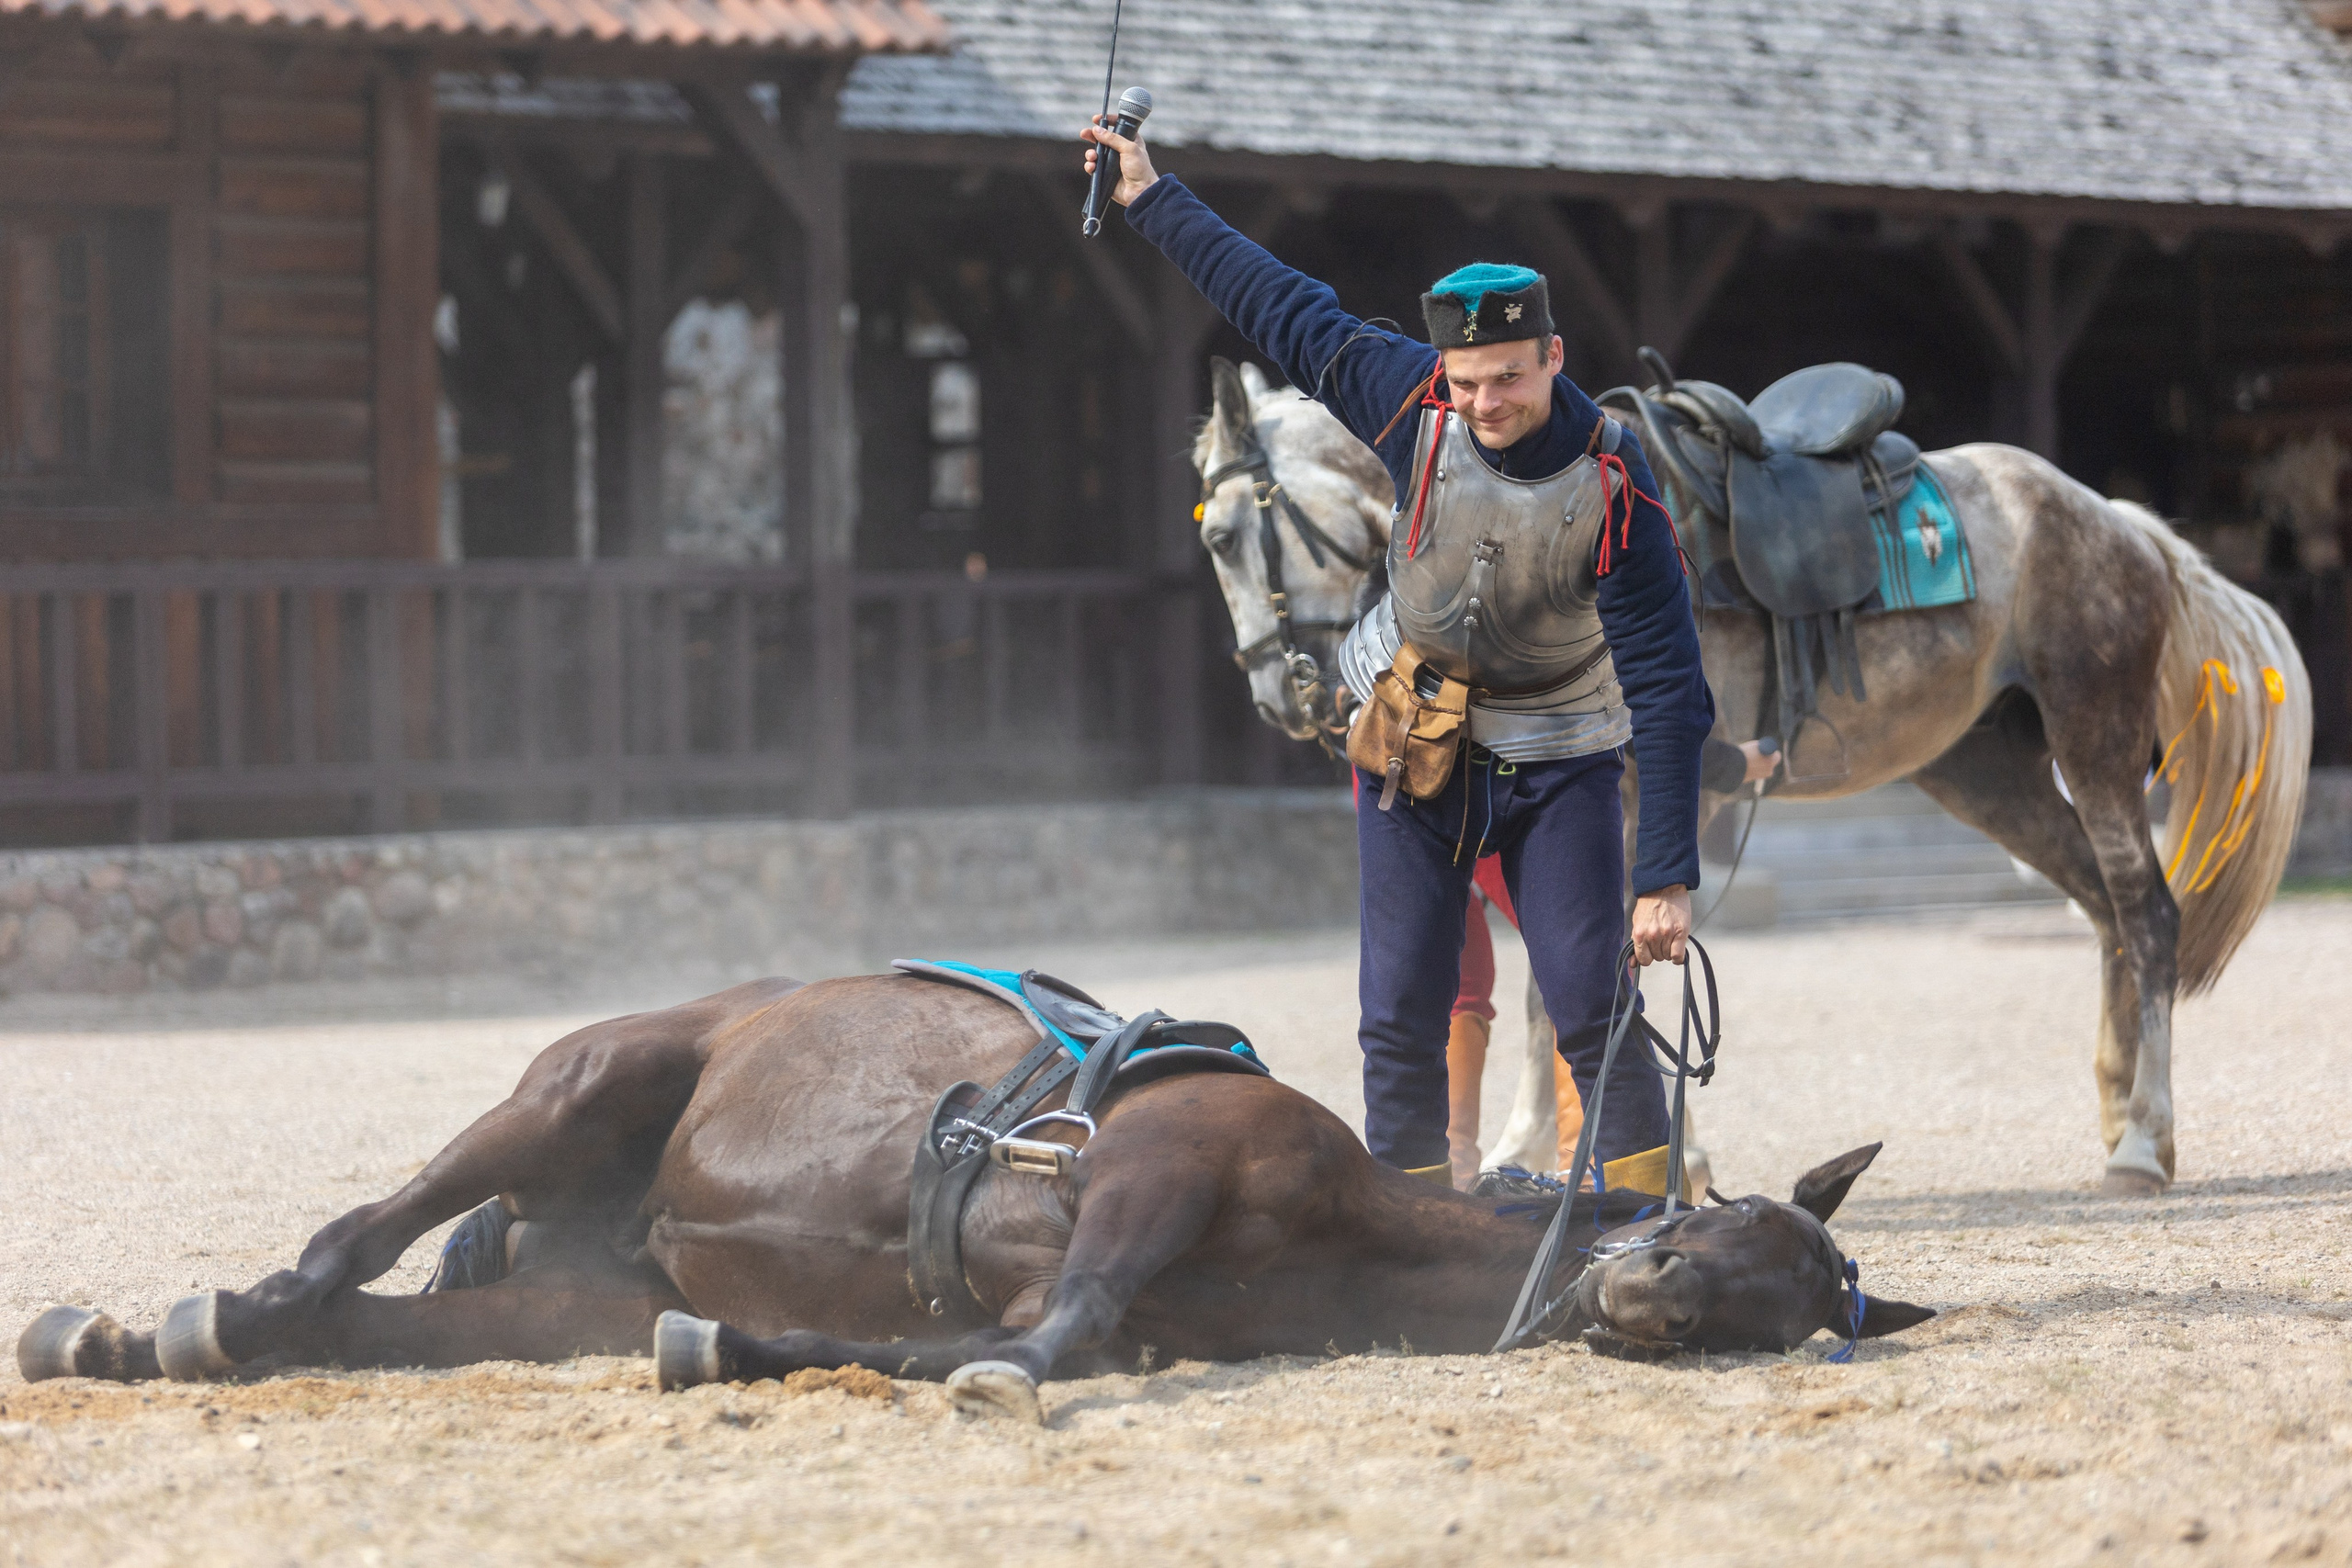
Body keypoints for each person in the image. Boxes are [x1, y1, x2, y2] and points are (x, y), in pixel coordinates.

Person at [1086, 115, 1715, 1184]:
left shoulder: (1615, 483)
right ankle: (1415, 1242)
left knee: (1591, 999)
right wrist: (1150, 196)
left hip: (1558, 753)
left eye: (1508, 379)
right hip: (1409, 741)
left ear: (1552, 356)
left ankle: (1641, 1223)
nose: (1484, 404)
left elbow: (1667, 685)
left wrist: (1665, 875)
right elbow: (1276, 299)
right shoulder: (1405, 398)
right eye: (1466, 382)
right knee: (1396, 1014)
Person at [1445, 738, 1778, 1189]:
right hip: (1511, 773)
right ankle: (1571, 1162)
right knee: (1578, 957)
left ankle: (1563, 1158)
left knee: (1564, 961)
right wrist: (1730, 763)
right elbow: (1639, 711)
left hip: (1433, 769)